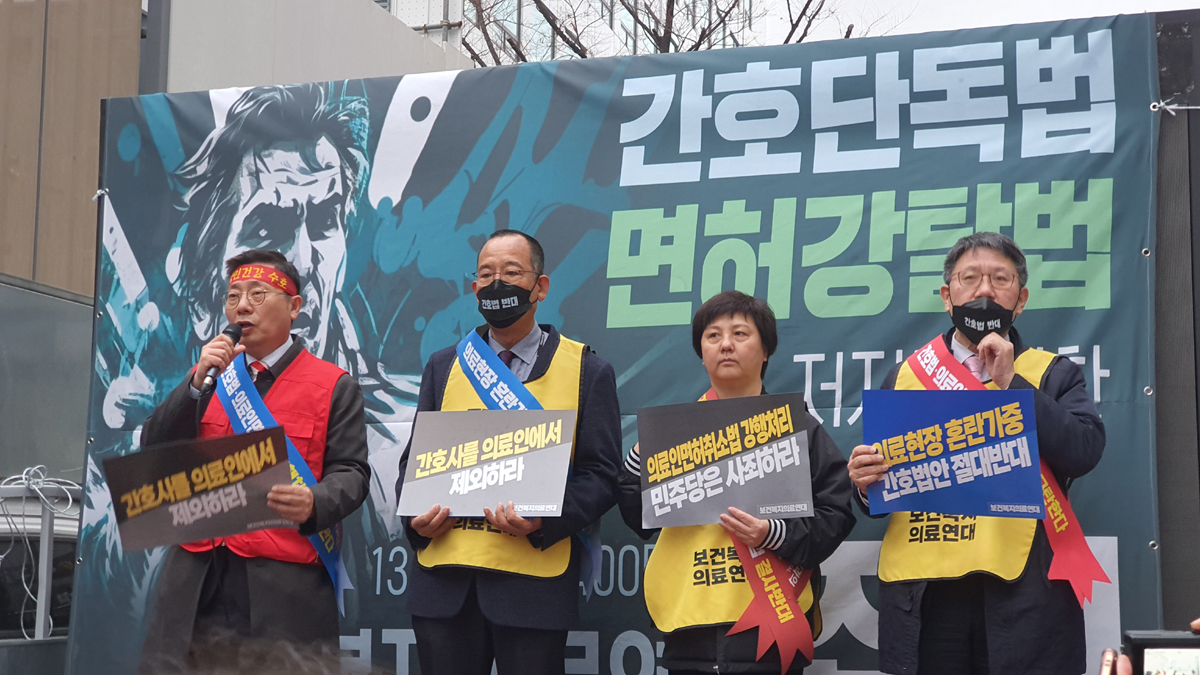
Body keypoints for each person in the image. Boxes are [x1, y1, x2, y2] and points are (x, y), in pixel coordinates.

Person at [846, 232, 1106, 675]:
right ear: (947, 296)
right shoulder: (906, 375)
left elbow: (1083, 451)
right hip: (927, 593)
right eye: (970, 278)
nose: (984, 291)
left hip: (1021, 592)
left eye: (1000, 279)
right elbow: (880, 497)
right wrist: (864, 482)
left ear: (1020, 300)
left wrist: (1011, 385)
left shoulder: (1051, 373)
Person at [394, 229, 622, 675]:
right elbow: (413, 463)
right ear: (474, 288)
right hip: (445, 587)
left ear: (540, 286)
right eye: (486, 274)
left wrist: (546, 519)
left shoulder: (586, 370)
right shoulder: (444, 365)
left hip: (532, 589)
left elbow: (602, 474)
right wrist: (414, 519)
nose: (497, 283)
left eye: (512, 272)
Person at [137, 249, 371, 673]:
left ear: (294, 307)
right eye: (233, 296)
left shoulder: (333, 385)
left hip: (281, 582)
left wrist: (315, 501)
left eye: (258, 294)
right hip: (195, 575)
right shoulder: (208, 378)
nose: (242, 306)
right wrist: (194, 384)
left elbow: (351, 472)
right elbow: (154, 448)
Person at [617, 290, 856, 674]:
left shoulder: (796, 427)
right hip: (688, 622)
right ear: (701, 352)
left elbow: (836, 512)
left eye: (740, 334)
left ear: (766, 350)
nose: (725, 345)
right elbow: (637, 517)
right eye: (713, 336)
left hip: (770, 622)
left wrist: (773, 534)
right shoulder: (674, 432)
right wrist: (636, 461)